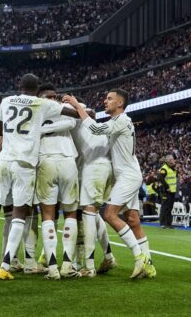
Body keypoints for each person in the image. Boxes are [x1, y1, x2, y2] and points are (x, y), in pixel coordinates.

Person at [0, 73, 78, 280]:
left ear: (19, 86)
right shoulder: (42, 103)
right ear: (37, 88)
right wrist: (79, 107)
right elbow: (71, 113)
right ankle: (4, 265)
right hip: (26, 164)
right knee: (19, 214)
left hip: (5, 160)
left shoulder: (7, 101)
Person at [64, 89, 155, 279]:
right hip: (127, 174)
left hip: (127, 176)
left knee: (110, 214)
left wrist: (76, 104)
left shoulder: (121, 120)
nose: (105, 101)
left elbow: (95, 129)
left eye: (109, 99)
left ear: (120, 104)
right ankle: (149, 264)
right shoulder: (117, 122)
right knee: (133, 220)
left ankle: (140, 258)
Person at [35, 83, 80, 279]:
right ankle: (64, 265)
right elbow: (71, 123)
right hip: (65, 159)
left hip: (49, 159)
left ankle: (55, 267)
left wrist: (44, 129)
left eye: (54, 96)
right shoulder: (63, 110)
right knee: (66, 212)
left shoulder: (35, 112)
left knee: (49, 214)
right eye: (49, 96)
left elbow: (72, 123)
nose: (53, 99)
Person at [70, 103, 116, 278]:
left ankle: (88, 265)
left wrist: (74, 105)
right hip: (104, 168)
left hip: (93, 169)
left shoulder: (78, 122)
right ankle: (108, 255)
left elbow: (87, 112)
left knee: (88, 215)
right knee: (94, 214)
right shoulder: (93, 124)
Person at [157, 155, 177, 229]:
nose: (173, 161)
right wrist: (167, 187)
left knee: (169, 208)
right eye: (172, 159)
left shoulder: (172, 168)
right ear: (168, 161)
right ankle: (163, 223)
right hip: (166, 191)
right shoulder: (164, 168)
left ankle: (169, 223)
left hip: (172, 191)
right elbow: (159, 177)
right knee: (165, 207)